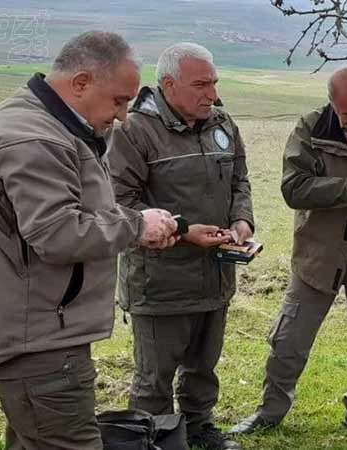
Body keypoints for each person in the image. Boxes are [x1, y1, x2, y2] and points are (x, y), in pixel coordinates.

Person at [0, 31, 179, 450]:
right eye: (119, 101)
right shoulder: (35, 138)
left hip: (36, 329)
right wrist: (136, 226)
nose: (124, 116)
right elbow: (56, 233)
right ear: (81, 82)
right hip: (37, 341)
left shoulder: (51, 125)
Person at [230, 66, 347, 440]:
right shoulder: (312, 128)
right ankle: (269, 412)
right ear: (332, 104)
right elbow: (294, 189)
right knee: (290, 338)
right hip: (320, 253)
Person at [107, 42, 254, 450]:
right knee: (154, 377)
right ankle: (154, 438)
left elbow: (240, 179)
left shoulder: (221, 123)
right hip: (160, 282)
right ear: (168, 85)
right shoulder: (134, 132)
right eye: (201, 84)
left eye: (214, 83)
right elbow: (119, 204)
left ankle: (199, 426)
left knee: (203, 365)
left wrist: (242, 220)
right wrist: (184, 229)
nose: (212, 93)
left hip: (215, 277)